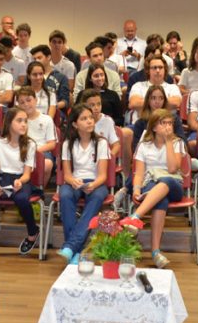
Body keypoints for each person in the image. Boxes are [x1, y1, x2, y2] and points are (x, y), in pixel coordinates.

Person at [120, 109, 186, 269]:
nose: (168, 127)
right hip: (150, 183)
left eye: (170, 123)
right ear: (154, 127)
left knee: (166, 180)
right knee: (161, 200)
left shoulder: (177, 143)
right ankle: (156, 252)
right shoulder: (144, 146)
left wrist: (168, 142)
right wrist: (136, 189)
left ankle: (135, 217)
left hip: (174, 183)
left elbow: (172, 169)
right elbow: (139, 173)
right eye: (164, 123)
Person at [0, 107, 40, 256]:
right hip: (2, 178)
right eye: (19, 121)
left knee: (22, 199)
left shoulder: (30, 144)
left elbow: (27, 174)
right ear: (9, 123)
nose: (24, 124)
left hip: (20, 179)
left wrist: (20, 182)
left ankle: (33, 232)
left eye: (25, 121)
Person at [56, 104, 111, 263]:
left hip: (96, 182)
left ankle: (70, 247)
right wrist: (73, 181)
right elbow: (67, 174)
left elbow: (103, 175)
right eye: (84, 118)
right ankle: (76, 252)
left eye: (90, 118)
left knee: (97, 197)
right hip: (75, 181)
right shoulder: (68, 143)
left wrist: (93, 185)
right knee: (65, 194)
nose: (89, 121)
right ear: (75, 124)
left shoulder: (101, 143)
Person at [16, 86, 56, 186]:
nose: (26, 104)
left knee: (47, 164)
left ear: (36, 100)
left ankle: (40, 188)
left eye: (28, 100)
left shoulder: (47, 119)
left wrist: (35, 151)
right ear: (18, 105)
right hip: (22, 150)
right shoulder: (16, 120)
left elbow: (52, 144)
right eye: (22, 102)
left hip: (41, 151)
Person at [127, 55, 182, 125]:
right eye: (154, 68)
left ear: (165, 70)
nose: (158, 70)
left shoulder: (173, 87)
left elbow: (176, 103)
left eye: (160, 67)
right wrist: (164, 103)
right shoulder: (138, 86)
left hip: (167, 126)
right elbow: (134, 103)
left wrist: (146, 104)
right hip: (141, 124)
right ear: (148, 70)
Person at [78, 88, 121, 157]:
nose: (96, 108)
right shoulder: (79, 121)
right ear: (84, 106)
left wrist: (110, 157)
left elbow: (116, 145)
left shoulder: (108, 120)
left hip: (103, 158)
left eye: (99, 104)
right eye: (92, 105)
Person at [31, 44, 70, 114]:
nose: (36, 61)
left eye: (39, 58)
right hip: (34, 111)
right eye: (34, 59)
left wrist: (51, 106)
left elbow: (65, 101)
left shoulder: (61, 77)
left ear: (48, 57)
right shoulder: (31, 76)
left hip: (55, 112)